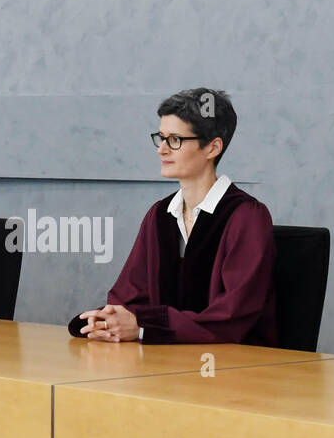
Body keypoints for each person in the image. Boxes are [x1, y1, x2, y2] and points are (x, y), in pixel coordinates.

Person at [68, 87, 278, 346]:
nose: (162, 150)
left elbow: (231, 316)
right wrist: (106, 319)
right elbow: (128, 295)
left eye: (175, 140)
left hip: (237, 369)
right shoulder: (160, 215)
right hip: (166, 365)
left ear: (212, 148)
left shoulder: (246, 217)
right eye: (161, 137)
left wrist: (145, 327)